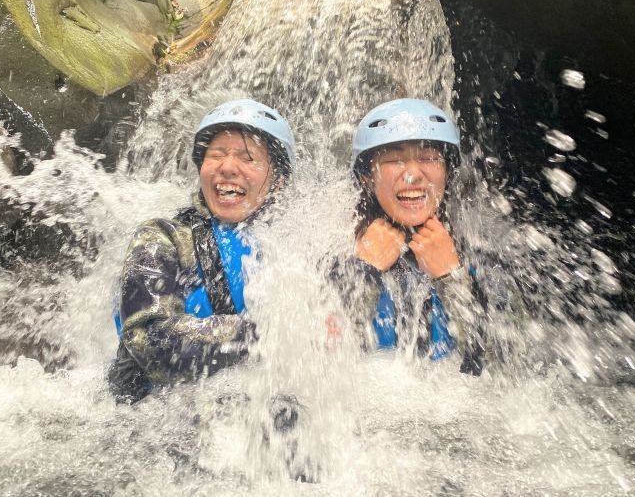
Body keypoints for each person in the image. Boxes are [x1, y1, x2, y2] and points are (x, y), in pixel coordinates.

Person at [108, 98, 296, 402]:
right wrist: (266, 333)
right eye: (217, 155)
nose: (227, 167)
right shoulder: (163, 238)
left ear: (278, 181)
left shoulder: (294, 245)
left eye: (248, 158)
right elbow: (150, 342)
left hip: (251, 416)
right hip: (158, 424)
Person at [334, 98, 486, 374]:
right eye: (394, 160)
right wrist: (362, 270)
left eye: (428, 158)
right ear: (367, 177)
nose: (412, 175)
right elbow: (318, 364)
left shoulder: (478, 258)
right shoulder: (336, 253)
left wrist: (452, 277)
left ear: (447, 173)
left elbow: (500, 369)